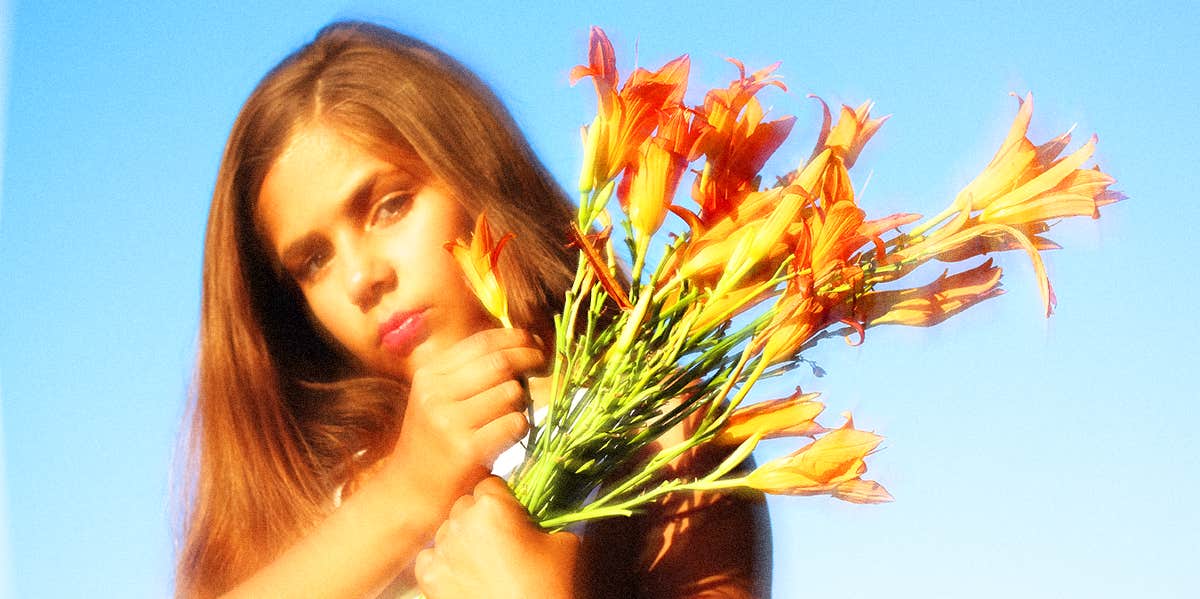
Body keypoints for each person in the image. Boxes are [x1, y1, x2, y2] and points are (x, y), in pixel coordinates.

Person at [176, 20, 771, 598]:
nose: (361, 278)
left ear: (478, 174)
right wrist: (406, 497)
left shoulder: (669, 435)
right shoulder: (311, 497)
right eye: (313, 261)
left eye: (390, 205)